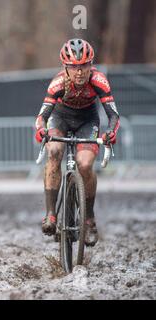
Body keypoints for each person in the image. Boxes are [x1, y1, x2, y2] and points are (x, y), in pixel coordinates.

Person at [34, 38, 120, 246]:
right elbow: (42, 116)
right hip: (60, 118)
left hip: (87, 120)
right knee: (54, 151)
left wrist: (110, 132)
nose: (79, 72)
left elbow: (113, 115)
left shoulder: (99, 80)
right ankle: (51, 215)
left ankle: (89, 219)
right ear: (65, 67)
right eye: (74, 67)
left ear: (91, 65)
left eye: (84, 66)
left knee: (85, 164)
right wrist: (41, 130)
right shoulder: (57, 83)